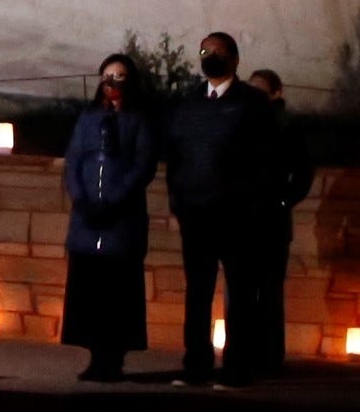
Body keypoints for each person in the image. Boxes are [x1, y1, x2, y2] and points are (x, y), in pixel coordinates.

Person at [162, 31, 278, 385]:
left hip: (237, 217)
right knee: (197, 293)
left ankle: (237, 368)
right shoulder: (189, 102)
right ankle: (195, 365)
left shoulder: (253, 104)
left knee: (240, 295)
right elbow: (175, 157)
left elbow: (267, 160)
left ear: (234, 59)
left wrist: (254, 203)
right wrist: (177, 203)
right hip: (196, 214)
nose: (210, 56)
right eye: (205, 51)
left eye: (218, 52)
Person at [61, 54, 159, 380]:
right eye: (107, 75)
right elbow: (74, 161)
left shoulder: (139, 120)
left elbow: (142, 166)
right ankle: (94, 356)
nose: (112, 82)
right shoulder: (87, 119)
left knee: (117, 293)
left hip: (120, 220)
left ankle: (113, 358)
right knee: (89, 291)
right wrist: (81, 199)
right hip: (87, 220)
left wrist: (114, 201)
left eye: (119, 76)